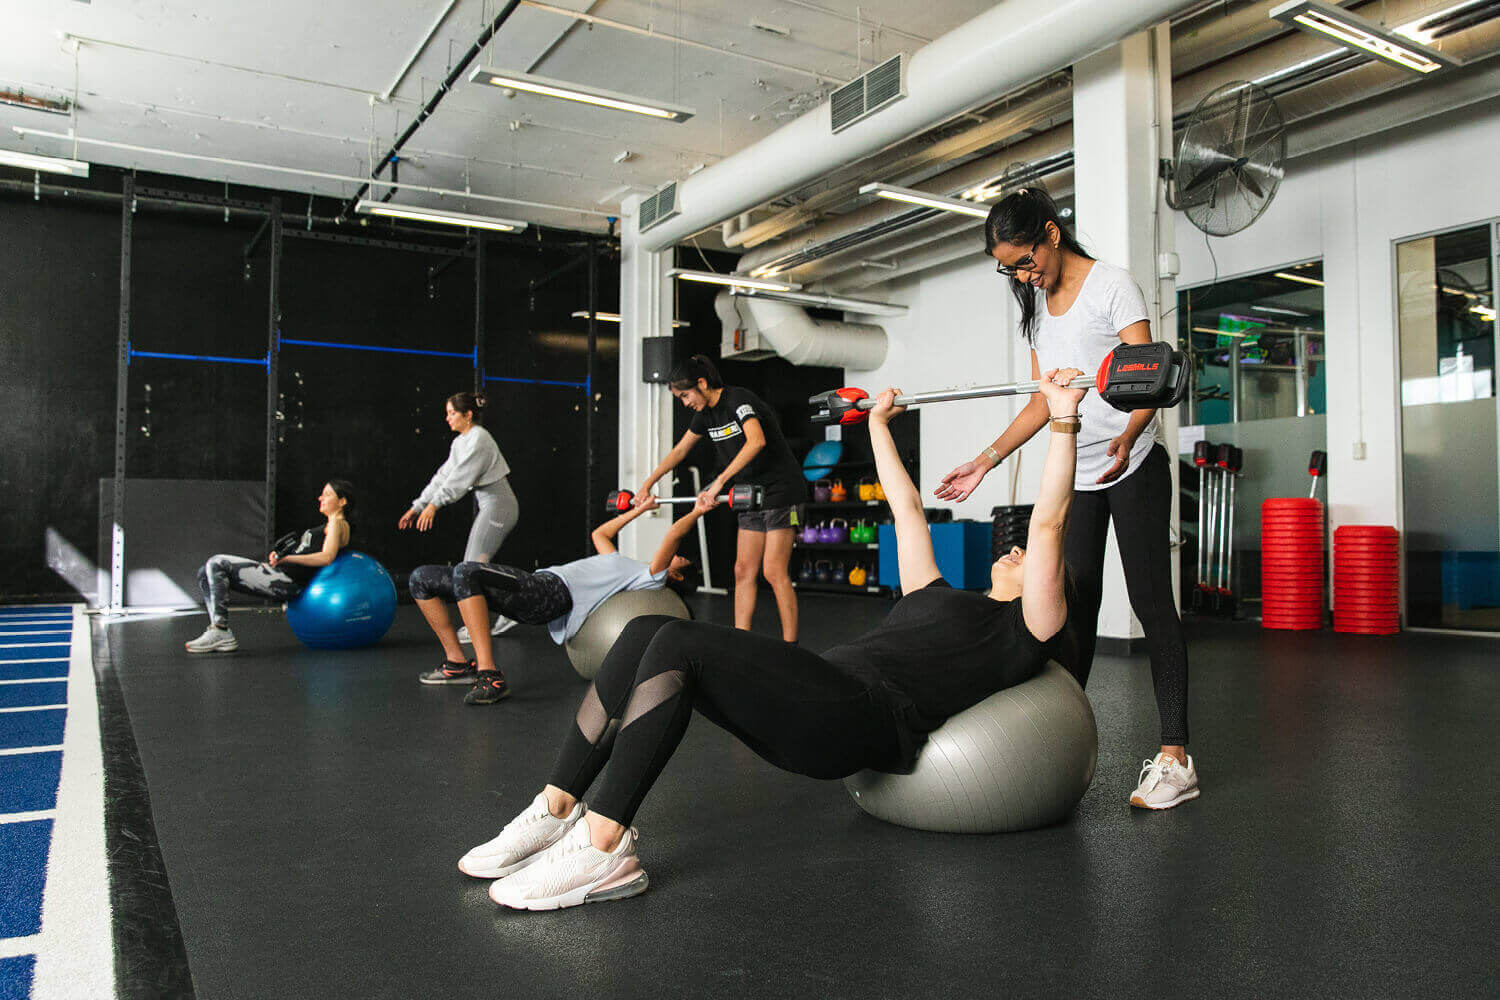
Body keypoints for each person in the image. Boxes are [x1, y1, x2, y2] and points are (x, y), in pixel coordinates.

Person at [457, 371, 1086, 910]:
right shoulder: (938, 594)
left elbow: (1053, 520)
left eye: (1026, 553)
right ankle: (556, 806)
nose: (1015, 547)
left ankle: (604, 848)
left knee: (678, 643)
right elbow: (907, 512)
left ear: (1048, 585)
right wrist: (876, 426)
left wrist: (1063, 422)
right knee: (650, 628)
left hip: (860, 717)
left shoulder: (1024, 628)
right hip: (818, 690)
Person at [934, 186, 1197, 811]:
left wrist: (1129, 434)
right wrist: (984, 461)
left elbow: (1149, 374)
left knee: (1150, 601)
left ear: (1051, 234)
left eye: (1025, 260)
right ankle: (1058, 739)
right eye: (1009, 268)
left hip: (1130, 463)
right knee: (1073, 605)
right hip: (1076, 469)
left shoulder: (1113, 287)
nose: (1021, 275)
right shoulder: (1035, 303)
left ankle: (1176, 758)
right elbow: (1038, 401)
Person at [407, 494, 704, 706]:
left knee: (466, 571)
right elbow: (600, 533)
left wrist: (698, 510)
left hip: (550, 593)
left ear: (676, 576)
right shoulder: (623, 563)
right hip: (537, 586)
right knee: (420, 578)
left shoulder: (651, 577)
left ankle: (490, 676)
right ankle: (457, 663)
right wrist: (641, 509)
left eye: (680, 559)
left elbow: (674, 534)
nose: (675, 556)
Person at [635, 355, 805, 642]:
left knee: (774, 570)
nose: (685, 402)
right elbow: (679, 452)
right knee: (742, 570)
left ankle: (792, 645)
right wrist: (647, 485)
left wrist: (720, 482)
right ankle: (741, 642)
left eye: (686, 395)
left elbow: (757, 441)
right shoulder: (705, 416)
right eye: (680, 398)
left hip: (782, 490)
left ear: (701, 383)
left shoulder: (737, 400)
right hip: (750, 493)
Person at [399, 390, 520, 639]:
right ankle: (509, 608)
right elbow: (443, 476)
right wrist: (419, 506)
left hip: (500, 507)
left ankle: (493, 618)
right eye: (447, 414)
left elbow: (460, 480)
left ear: (468, 415)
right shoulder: (461, 442)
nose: (448, 418)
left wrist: (434, 506)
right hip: (491, 506)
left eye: (452, 413)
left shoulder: (480, 440)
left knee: (470, 568)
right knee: (473, 568)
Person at [185, 480, 354, 653]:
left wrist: (287, 559)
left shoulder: (337, 524)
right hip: (281, 574)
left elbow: (327, 557)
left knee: (217, 562)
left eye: (327, 494)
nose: (320, 498)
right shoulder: (328, 525)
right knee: (204, 573)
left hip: (289, 582)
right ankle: (218, 629)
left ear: (342, 502)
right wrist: (279, 559)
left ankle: (220, 630)